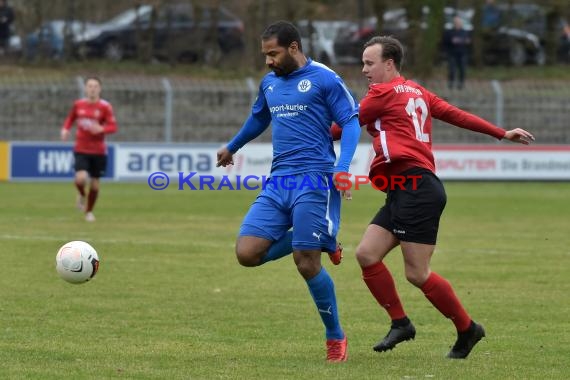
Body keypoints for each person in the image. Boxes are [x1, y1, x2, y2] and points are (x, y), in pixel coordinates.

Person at [331, 36, 534, 359]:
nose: (364, 69)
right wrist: (501, 132)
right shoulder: (417, 91)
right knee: (368, 254)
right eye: (363, 63)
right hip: (403, 188)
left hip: (416, 188)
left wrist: (302, 131)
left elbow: (344, 125)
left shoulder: (381, 94)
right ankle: (401, 323)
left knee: (417, 273)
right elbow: (455, 114)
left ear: (389, 63)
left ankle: (468, 329)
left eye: (369, 63)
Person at [216, 21, 360, 362]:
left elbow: (352, 121)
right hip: (279, 180)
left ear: (294, 47)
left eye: (273, 53)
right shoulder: (269, 83)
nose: (268, 61)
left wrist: (342, 168)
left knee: (305, 262)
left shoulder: (324, 78)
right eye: (265, 54)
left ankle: (335, 337)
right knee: (247, 253)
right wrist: (233, 146)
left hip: (315, 178)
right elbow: (259, 119)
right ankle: (324, 238)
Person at [61, 76, 118, 222]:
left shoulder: (105, 107)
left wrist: (101, 128)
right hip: (81, 148)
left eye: (95, 86)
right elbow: (70, 119)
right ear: (85, 88)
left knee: (94, 183)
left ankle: (89, 211)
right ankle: (82, 194)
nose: (92, 89)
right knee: (80, 179)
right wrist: (65, 129)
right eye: (90, 86)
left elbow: (113, 127)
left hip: (99, 151)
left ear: (100, 89)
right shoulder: (78, 104)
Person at [443, 16, 471, 90]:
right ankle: (451, 84)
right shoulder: (449, 32)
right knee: (452, 70)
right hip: (452, 54)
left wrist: (462, 41)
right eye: (456, 22)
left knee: (462, 70)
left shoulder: (465, 32)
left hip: (462, 54)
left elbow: (468, 41)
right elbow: (446, 41)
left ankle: (461, 84)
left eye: (459, 22)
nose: (458, 24)